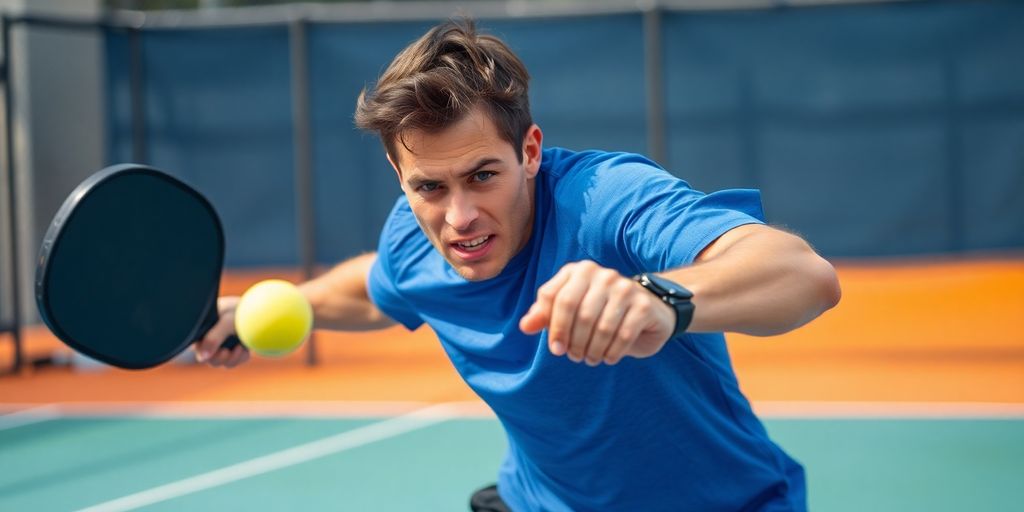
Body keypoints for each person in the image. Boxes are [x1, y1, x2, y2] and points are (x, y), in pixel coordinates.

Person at [194, 18, 841, 512]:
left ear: (529, 151)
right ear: (398, 173)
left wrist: (657, 299)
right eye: (429, 187)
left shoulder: (605, 201)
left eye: (483, 176)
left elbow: (802, 275)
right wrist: (280, 307)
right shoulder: (415, 241)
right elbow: (373, 287)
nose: (459, 217)